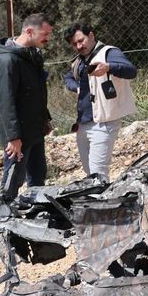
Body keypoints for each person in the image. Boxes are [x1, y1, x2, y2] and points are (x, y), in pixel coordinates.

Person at [0, 13, 54, 203]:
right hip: (19, 135)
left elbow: (38, 92)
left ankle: (35, 215)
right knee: (12, 181)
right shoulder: (7, 60)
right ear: (29, 31)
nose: (47, 38)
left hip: (35, 130)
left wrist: (45, 118)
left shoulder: (31, 56)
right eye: (45, 34)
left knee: (38, 177)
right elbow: (5, 101)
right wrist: (13, 137)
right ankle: (3, 218)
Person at [62, 23, 138, 180]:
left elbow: (131, 70)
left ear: (91, 35)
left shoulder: (108, 53)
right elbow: (68, 77)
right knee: (90, 172)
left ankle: (103, 202)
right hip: (83, 123)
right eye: (74, 44)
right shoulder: (79, 61)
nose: (78, 46)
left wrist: (109, 67)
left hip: (103, 122)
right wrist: (76, 88)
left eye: (81, 40)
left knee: (98, 174)